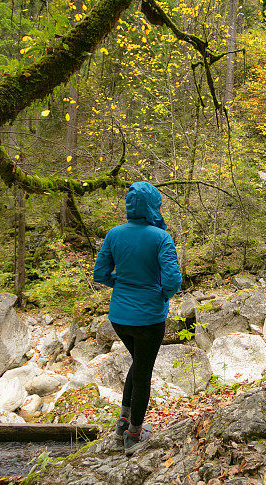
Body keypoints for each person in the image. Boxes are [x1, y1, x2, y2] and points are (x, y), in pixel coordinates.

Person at [92, 181, 182, 453]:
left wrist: (121, 283)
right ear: (153, 205)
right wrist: (160, 294)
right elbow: (173, 281)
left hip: (119, 317)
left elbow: (100, 274)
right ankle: (133, 434)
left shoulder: (114, 234)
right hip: (150, 318)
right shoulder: (160, 237)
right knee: (143, 371)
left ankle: (122, 422)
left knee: (138, 362)